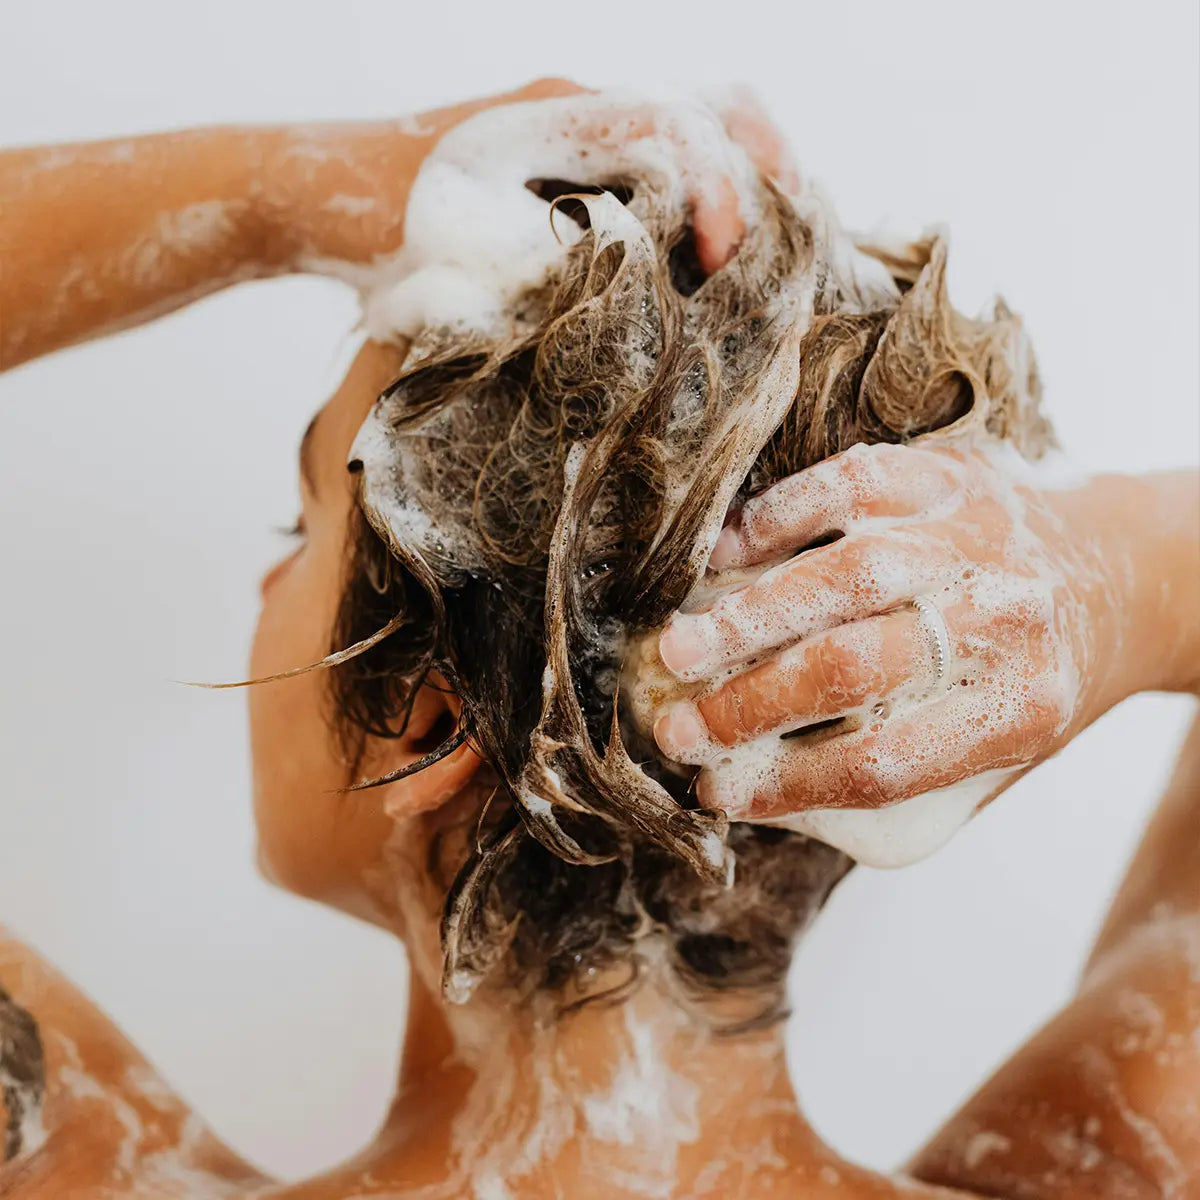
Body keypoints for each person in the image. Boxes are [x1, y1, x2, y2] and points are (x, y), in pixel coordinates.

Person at [0, 80, 1197, 1200]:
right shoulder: (1121, 1158)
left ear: (425, 718)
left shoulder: (76, 1164)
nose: (268, 576)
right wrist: (1116, 576)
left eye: (301, 523)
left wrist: (285, 191)